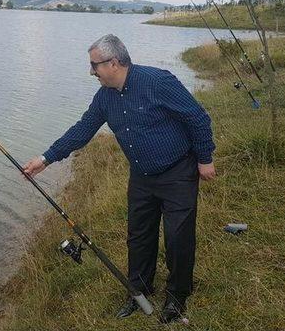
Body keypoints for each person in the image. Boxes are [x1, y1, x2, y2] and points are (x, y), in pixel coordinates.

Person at [23, 34, 216, 323]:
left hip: (178, 171)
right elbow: (83, 129)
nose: (91, 72)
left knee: (178, 237)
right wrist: (45, 158)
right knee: (138, 237)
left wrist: (204, 158)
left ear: (113, 63)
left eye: (94, 65)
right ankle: (139, 291)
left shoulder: (158, 82)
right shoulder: (104, 97)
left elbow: (197, 117)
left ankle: (177, 297)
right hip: (141, 176)